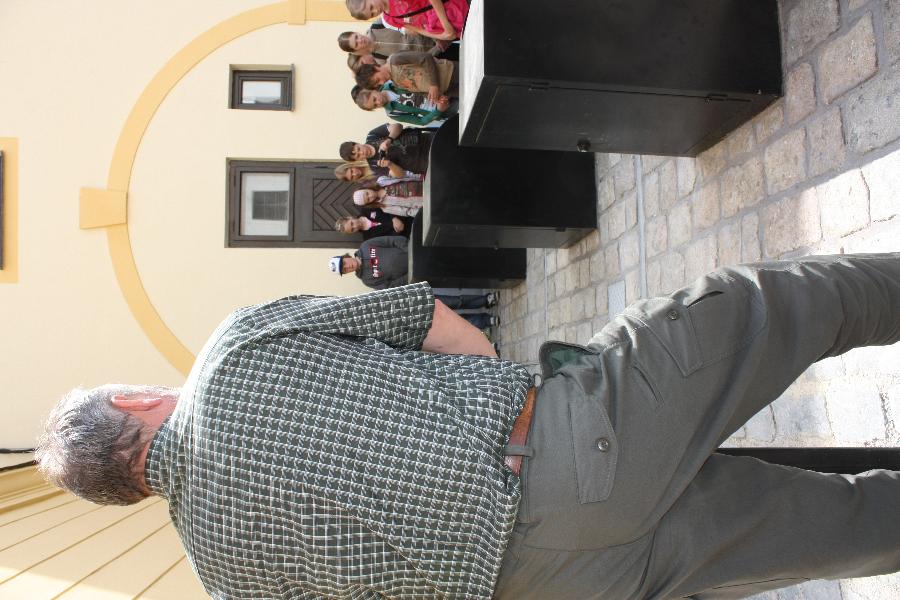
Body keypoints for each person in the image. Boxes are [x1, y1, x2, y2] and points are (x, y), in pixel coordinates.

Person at [36, 253, 900, 600]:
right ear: (133, 405)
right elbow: (428, 319)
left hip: (555, 586)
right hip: (561, 447)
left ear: (128, 492)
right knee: (769, 304)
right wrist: (501, 405)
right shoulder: (229, 355)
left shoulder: (223, 580)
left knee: (836, 530)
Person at [346, 0, 469, 42]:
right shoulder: (389, 19)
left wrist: (446, 26)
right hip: (450, 28)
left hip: (455, 8)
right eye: (372, 14)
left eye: (371, 7)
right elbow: (419, 29)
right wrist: (443, 36)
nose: (376, 10)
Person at [356, 51, 458, 101]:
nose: (382, 82)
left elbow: (426, 58)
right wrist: (435, 97)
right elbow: (419, 90)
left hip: (451, 72)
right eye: (378, 84)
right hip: (448, 90)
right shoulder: (396, 84)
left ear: (375, 68)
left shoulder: (395, 60)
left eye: (378, 79)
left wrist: (434, 84)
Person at [340, 122, 434, 175]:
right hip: (424, 162)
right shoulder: (374, 166)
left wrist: (389, 139)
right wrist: (389, 164)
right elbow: (401, 175)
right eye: (358, 156)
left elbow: (398, 126)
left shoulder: (372, 136)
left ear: (357, 143)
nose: (362, 153)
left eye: (358, 149)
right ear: (357, 160)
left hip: (425, 141)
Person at [330, 236, 411, 289]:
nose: (348, 267)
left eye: (344, 263)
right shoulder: (367, 280)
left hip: (412, 251)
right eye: (345, 270)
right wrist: (411, 274)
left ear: (346, 257)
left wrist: (411, 251)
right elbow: (391, 286)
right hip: (413, 272)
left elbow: (391, 240)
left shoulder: (365, 246)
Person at [354, 85, 453, 127]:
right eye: (375, 106)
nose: (378, 103)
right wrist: (438, 110)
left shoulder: (392, 83)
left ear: (373, 90)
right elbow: (421, 121)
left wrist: (438, 93)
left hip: (444, 89)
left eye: (374, 99)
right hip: (444, 110)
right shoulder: (392, 113)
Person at [353, 181, 424, 217]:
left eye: (367, 193)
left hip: (423, 183)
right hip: (423, 201)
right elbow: (408, 212)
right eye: (368, 199)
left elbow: (403, 177)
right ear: (369, 203)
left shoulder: (382, 181)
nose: (371, 196)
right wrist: (425, 210)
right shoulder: (385, 207)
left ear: (366, 188)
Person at [334, 209, 412, 240]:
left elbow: (385, 206)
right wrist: (398, 231)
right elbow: (388, 239)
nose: (355, 226)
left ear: (350, 217)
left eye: (352, 223)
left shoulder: (367, 209)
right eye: (352, 229)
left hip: (408, 215)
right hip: (409, 234)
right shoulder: (368, 238)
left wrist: (394, 218)